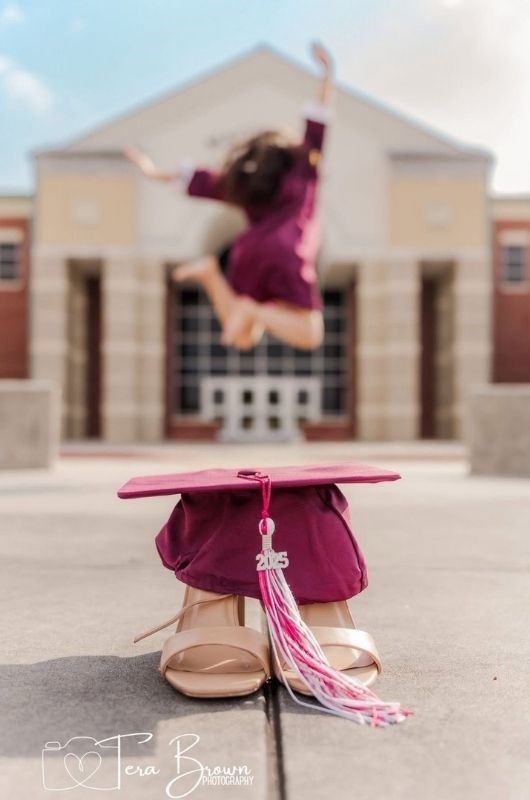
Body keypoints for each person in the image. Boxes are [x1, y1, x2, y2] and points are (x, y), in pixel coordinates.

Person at [124, 42, 334, 351]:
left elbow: (195, 178)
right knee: (310, 334)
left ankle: (211, 275)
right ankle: (254, 308)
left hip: (248, 253)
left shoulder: (246, 185)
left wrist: (151, 170)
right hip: (290, 249)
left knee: (243, 336)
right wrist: (327, 74)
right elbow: (318, 121)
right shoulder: (303, 166)